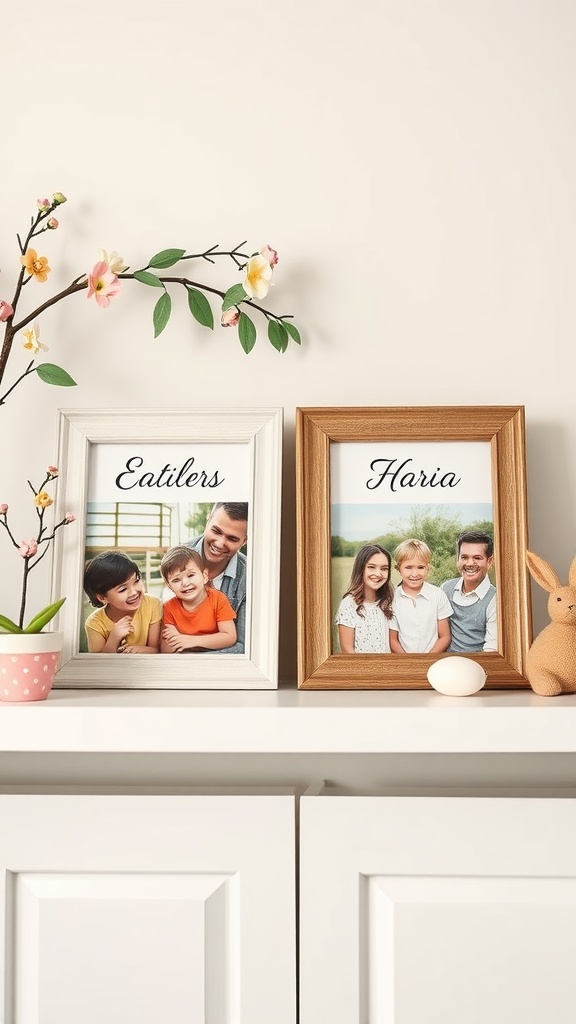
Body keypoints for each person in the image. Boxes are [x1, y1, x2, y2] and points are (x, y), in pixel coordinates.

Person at [186, 502, 247, 654]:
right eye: (216, 531)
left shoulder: (250, 576)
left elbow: (244, 646)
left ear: (244, 541)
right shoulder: (178, 559)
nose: (220, 544)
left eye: (232, 539)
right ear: (208, 521)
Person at [160, 545, 237, 653]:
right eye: (176, 580)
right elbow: (166, 649)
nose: (185, 583)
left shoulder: (218, 599)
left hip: (213, 656)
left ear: (205, 575)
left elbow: (230, 637)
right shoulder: (168, 608)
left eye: (190, 575)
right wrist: (174, 641)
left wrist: (191, 640)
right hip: (184, 659)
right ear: (169, 586)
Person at [83, 550, 162, 653]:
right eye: (123, 590)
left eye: (136, 581)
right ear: (102, 598)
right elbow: (98, 664)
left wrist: (138, 650)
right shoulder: (95, 623)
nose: (133, 592)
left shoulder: (153, 604)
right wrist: (114, 638)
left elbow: (157, 650)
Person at [389, 538, 453, 653]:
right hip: (404, 662)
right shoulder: (392, 598)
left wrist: (426, 660)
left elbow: (445, 637)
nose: (415, 574)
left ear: (427, 568)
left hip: (433, 659)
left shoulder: (437, 595)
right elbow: (393, 640)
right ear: (399, 568)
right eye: (408, 567)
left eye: (420, 567)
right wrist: (409, 662)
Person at [441, 531, 497, 652]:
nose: (470, 563)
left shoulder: (495, 599)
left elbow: (491, 648)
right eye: (464, 557)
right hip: (444, 664)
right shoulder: (445, 588)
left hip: (476, 666)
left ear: (489, 561)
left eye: (477, 558)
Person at [335, 544, 394, 653]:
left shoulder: (389, 601)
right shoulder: (349, 604)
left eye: (384, 569)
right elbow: (347, 650)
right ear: (361, 569)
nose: (378, 573)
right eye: (371, 567)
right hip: (361, 668)